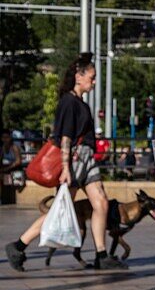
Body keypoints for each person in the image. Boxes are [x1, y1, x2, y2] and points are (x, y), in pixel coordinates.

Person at [5, 53, 126, 271]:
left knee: (101, 203)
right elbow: (65, 137)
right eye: (92, 76)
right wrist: (66, 168)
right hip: (75, 159)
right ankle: (18, 245)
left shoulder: (81, 104)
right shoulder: (69, 102)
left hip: (86, 160)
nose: (94, 81)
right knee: (60, 210)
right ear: (79, 77)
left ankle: (101, 254)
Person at [1, 129, 25, 205]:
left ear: (10, 138)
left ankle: (11, 199)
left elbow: (18, 161)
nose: (5, 140)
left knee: (11, 178)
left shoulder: (14, 147)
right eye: (3, 138)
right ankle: (5, 199)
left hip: (15, 169)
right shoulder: (2, 148)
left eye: (7, 137)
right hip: (7, 169)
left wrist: (8, 168)